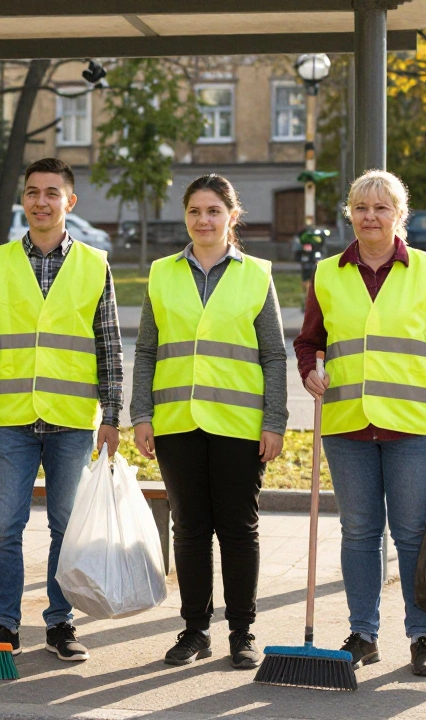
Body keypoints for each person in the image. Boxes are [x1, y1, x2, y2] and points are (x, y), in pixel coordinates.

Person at [294, 169, 426, 678]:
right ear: (349, 213)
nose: (370, 217)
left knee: (412, 534)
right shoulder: (328, 273)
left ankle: (422, 636)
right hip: (347, 423)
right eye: (361, 207)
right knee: (359, 533)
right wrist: (309, 370)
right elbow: (309, 340)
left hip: (413, 426)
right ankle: (363, 635)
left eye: (381, 208)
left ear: (399, 215)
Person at [0, 157, 122, 663]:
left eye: (52, 193)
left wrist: (113, 415)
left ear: (69, 202)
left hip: (71, 419)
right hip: (10, 419)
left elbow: (109, 345)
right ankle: (4, 623)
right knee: (4, 527)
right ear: (23, 200)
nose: (41, 201)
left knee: (65, 528)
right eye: (32, 192)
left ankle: (60, 623)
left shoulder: (95, 264)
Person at [130, 174, 288, 670]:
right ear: (185, 216)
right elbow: (146, 350)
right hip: (177, 422)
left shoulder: (256, 274)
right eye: (195, 211)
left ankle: (242, 631)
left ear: (232, 216)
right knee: (190, 529)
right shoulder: (162, 273)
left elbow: (274, 355)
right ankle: (195, 631)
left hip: (240, 425)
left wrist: (275, 421)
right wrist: (141, 414)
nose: (204, 220)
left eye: (214, 211)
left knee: (239, 530)